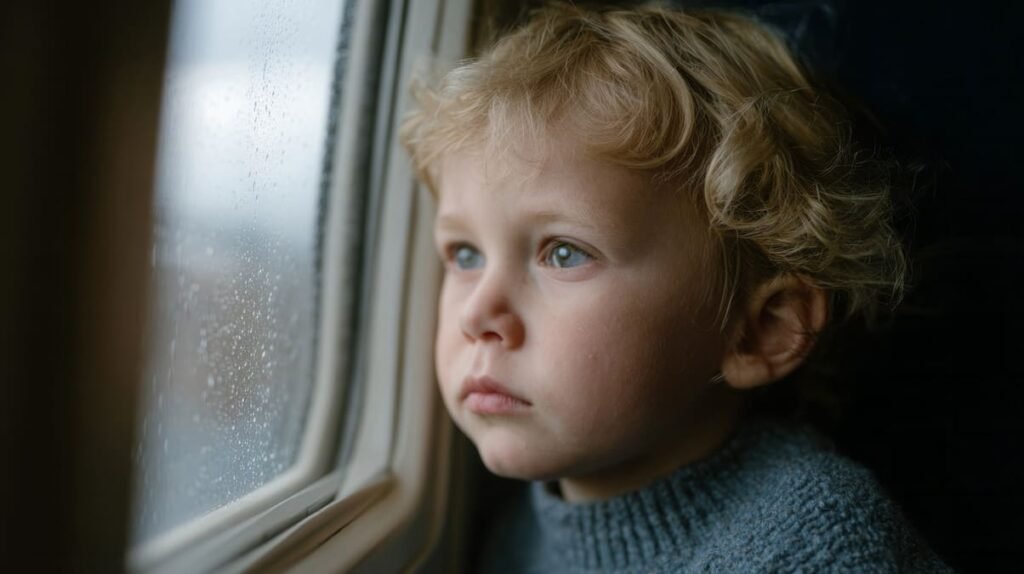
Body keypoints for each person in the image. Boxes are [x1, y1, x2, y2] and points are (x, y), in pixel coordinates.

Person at [401, 2, 953, 572]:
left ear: (760, 331)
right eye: (465, 254)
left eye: (564, 253)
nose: (477, 313)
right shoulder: (520, 533)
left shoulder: (815, 544)